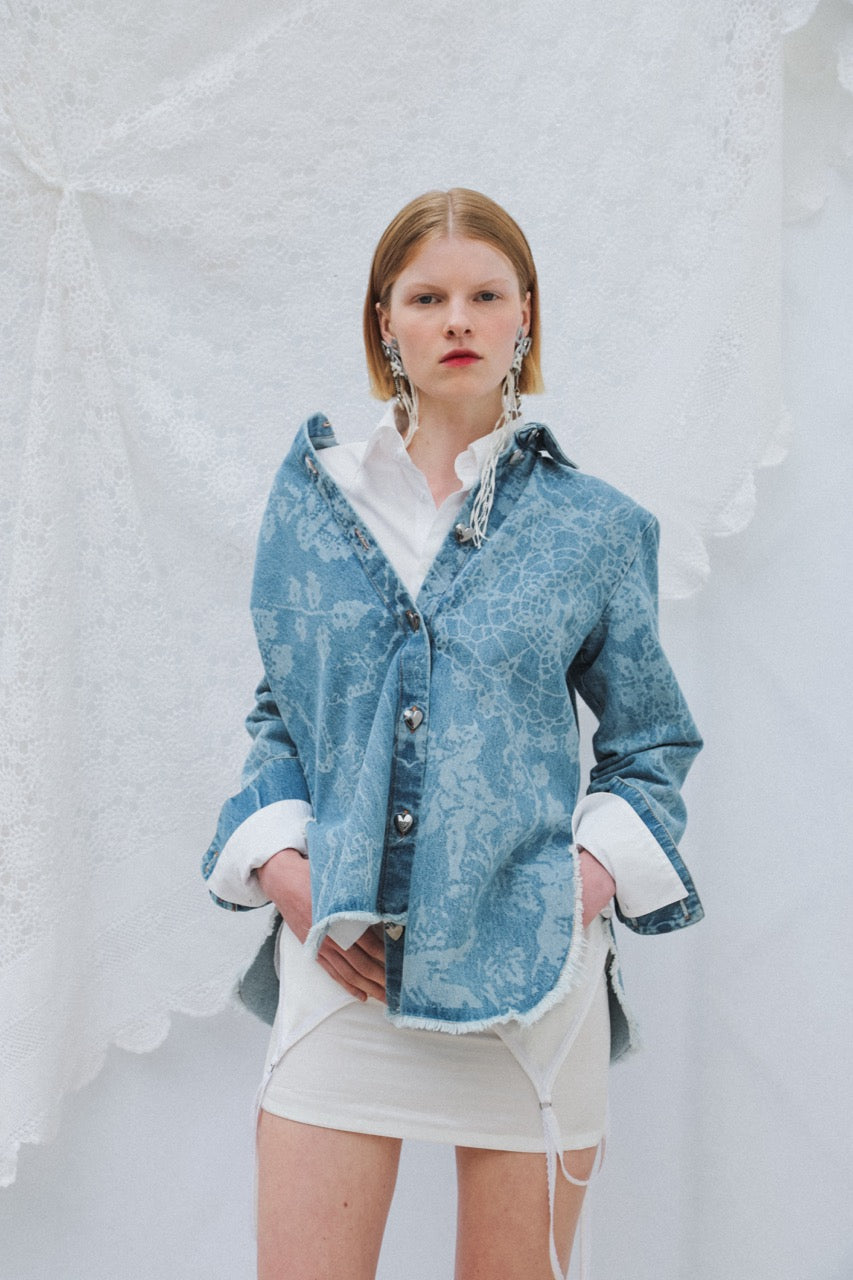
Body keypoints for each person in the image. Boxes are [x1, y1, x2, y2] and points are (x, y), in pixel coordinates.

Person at [202, 188, 703, 1280]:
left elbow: (650, 744)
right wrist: (288, 873)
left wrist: (579, 885)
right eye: (427, 297)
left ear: (525, 316)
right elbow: (284, 714)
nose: (458, 320)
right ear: (385, 320)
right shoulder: (315, 504)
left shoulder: (597, 527)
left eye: (486, 295)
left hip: (533, 986)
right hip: (341, 966)